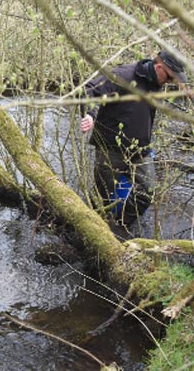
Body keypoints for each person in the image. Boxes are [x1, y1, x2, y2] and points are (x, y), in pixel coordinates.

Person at [80, 50, 187, 233]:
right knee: (101, 197)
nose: (169, 83)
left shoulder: (156, 83)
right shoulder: (123, 76)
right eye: (169, 78)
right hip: (111, 149)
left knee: (146, 191)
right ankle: (90, 231)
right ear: (159, 67)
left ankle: (119, 226)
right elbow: (89, 90)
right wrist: (90, 114)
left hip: (140, 150)